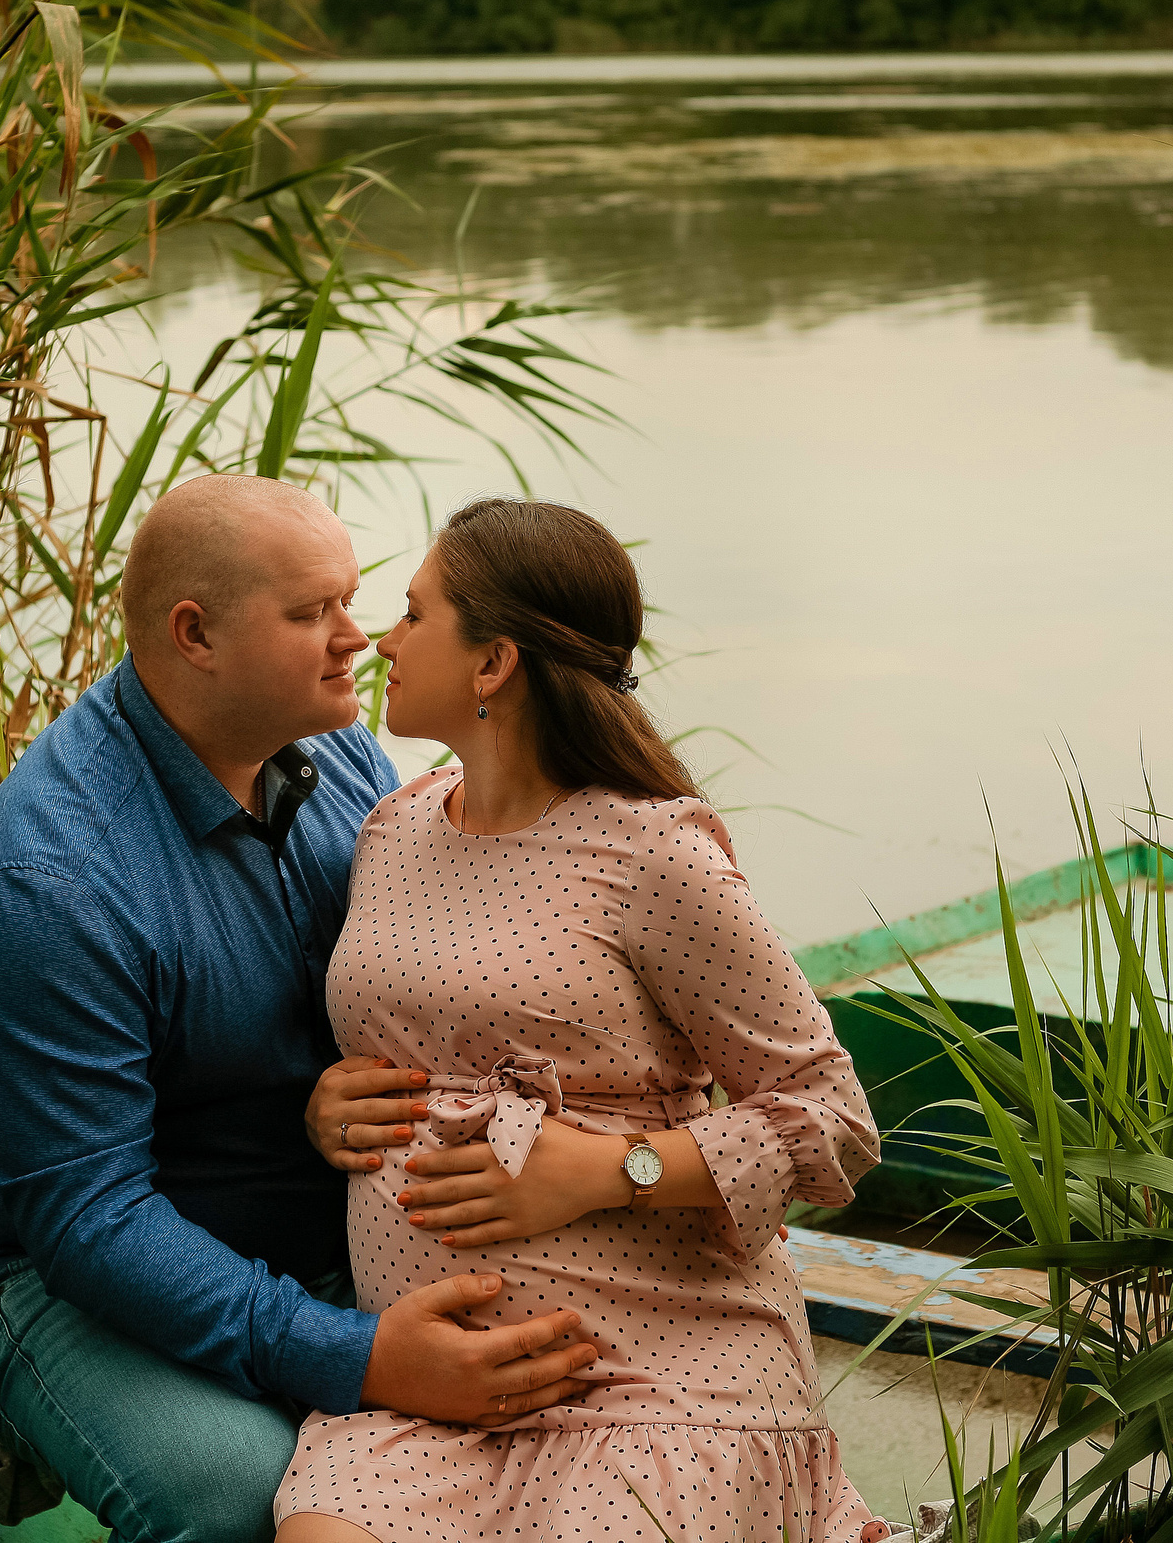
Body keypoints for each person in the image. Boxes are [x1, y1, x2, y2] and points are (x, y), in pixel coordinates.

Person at [0, 475, 601, 1543]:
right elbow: (86, 1221)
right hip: (54, 1279)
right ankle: (6, 1392)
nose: (359, 637)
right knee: (243, 1494)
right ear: (195, 636)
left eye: (353, 597)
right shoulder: (45, 881)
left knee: (582, 1403)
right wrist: (358, 1356)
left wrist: (337, 1096)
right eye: (310, 614)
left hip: (320, 1224)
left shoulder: (333, 752)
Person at [281, 497, 890, 1543]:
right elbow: (407, 1042)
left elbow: (832, 1121)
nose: (383, 638)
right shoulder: (392, 827)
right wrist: (326, 1106)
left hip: (652, 1374)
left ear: (492, 665)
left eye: (415, 614)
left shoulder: (650, 855)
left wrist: (611, 1170)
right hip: (430, 1388)